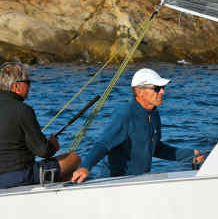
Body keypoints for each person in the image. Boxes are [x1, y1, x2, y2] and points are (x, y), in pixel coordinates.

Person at [71, 68, 205, 183]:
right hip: (117, 182)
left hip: (140, 180)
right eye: (157, 88)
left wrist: (189, 155)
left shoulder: (153, 114)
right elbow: (103, 144)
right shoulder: (125, 114)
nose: (163, 92)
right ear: (140, 91)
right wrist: (85, 167)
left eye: (163, 88)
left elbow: (155, 148)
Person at [0, 62, 81, 190]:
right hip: (19, 178)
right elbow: (44, 152)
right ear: (17, 86)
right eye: (28, 83)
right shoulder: (23, 110)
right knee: (73, 158)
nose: (29, 87)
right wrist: (53, 146)